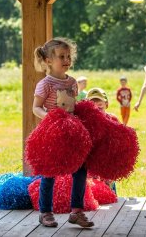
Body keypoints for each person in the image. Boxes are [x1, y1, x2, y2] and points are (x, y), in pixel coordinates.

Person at [33, 37, 94, 228]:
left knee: (80, 169)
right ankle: (45, 212)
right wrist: (51, 117)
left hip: (72, 133)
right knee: (49, 172)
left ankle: (76, 210)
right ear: (48, 60)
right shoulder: (46, 84)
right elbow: (36, 107)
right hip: (52, 132)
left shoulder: (73, 82)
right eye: (61, 56)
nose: (66, 60)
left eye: (68, 56)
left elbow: (73, 107)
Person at [86, 87, 118, 194]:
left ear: (106, 104)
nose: (96, 104)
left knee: (109, 188)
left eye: (99, 101)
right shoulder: (85, 121)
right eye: (92, 102)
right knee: (92, 188)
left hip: (108, 161)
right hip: (91, 161)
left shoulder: (112, 119)